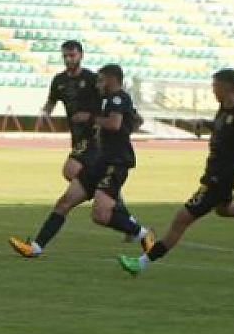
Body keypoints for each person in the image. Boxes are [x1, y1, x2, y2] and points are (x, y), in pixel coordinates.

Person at [119, 68, 234, 277]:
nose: (213, 90)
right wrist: (204, 124)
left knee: (181, 220)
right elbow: (223, 128)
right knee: (225, 209)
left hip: (218, 179)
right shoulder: (224, 109)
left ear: (227, 87)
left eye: (215, 86)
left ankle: (140, 263)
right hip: (217, 174)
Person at [10, 64, 154, 258]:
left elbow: (114, 123)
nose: (99, 84)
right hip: (99, 161)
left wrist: (90, 118)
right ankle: (35, 247)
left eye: (102, 80)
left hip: (116, 163)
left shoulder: (118, 97)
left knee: (99, 215)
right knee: (64, 202)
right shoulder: (108, 99)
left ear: (112, 80)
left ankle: (142, 233)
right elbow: (133, 120)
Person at [39, 40, 102, 182]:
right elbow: (52, 101)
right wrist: (45, 113)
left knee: (71, 170)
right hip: (76, 134)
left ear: (81, 55)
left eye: (72, 55)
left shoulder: (92, 79)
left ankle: (103, 192)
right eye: (65, 56)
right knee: (90, 170)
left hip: (94, 134)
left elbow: (106, 102)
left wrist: (96, 120)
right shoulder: (59, 80)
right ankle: (108, 194)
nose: (68, 59)